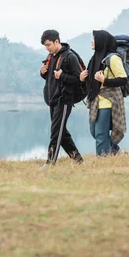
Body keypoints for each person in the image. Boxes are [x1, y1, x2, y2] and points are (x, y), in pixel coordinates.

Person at [39, 29, 84, 168]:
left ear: (56, 41)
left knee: (56, 131)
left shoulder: (70, 57)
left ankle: (50, 162)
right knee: (61, 132)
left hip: (64, 100)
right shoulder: (50, 56)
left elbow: (79, 79)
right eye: (45, 46)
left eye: (48, 44)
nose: (47, 48)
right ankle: (78, 160)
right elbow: (51, 78)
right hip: (52, 98)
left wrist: (62, 76)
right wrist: (42, 73)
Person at [80, 30, 127, 156]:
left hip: (108, 101)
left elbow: (123, 79)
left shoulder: (113, 58)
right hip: (95, 100)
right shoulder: (95, 58)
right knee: (94, 132)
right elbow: (92, 82)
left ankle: (103, 161)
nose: (92, 41)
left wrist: (104, 80)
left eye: (94, 39)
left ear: (101, 41)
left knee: (100, 134)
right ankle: (116, 151)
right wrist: (82, 78)